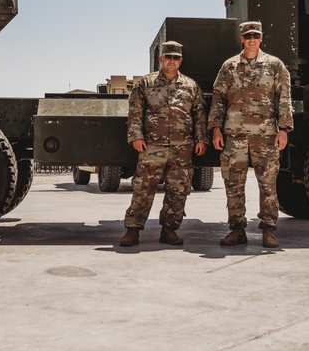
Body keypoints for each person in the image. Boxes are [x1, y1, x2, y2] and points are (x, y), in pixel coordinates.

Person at [208, 21, 293, 248]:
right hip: (234, 135)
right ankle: (237, 230)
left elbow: (284, 98)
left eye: (255, 35)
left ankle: (269, 230)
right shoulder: (229, 66)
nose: (252, 40)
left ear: (261, 38)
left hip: (265, 135)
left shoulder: (274, 65)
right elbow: (218, 99)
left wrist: (283, 129)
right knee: (233, 184)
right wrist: (215, 129)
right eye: (248, 36)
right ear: (242, 39)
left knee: (268, 184)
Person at [120, 41, 209, 247]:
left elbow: (199, 115)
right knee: (143, 187)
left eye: (176, 58)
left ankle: (169, 230)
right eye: (168, 57)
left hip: (182, 147)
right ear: (161, 59)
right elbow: (135, 112)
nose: (171, 61)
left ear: (180, 61)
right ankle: (133, 229)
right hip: (152, 146)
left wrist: (201, 139)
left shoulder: (190, 86)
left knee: (178, 190)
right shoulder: (146, 83)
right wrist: (136, 136)